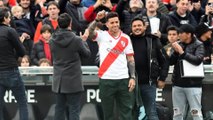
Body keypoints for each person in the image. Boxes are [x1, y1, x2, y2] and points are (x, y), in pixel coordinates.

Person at [88, 11, 136, 120]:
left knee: (126, 113)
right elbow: (90, 32)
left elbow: (131, 59)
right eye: (112, 22)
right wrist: (96, 20)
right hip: (106, 80)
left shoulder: (126, 38)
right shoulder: (101, 35)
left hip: (123, 79)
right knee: (108, 113)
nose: (114, 24)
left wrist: (132, 77)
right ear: (107, 24)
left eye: (116, 22)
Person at [49, 13, 91, 120]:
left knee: (59, 109)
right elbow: (87, 54)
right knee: (74, 110)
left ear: (58, 24)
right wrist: (84, 41)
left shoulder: (52, 40)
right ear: (70, 24)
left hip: (58, 82)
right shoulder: (77, 40)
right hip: (73, 82)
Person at [130, 16, 169, 120]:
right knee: (132, 113)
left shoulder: (154, 40)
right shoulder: (126, 40)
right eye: (134, 26)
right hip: (131, 84)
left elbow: (165, 61)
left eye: (139, 25)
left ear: (144, 27)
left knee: (151, 112)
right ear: (131, 28)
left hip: (149, 83)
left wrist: (162, 78)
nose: (137, 28)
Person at [169, 24, 205, 120]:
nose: (179, 35)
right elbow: (170, 62)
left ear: (189, 34)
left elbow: (198, 60)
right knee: (177, 113)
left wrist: (182, 53)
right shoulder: (178, 44)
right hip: (177, 84)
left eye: (181, 33)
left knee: (196, 113)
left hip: (193, 84)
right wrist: (176, 52)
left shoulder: (199, 44)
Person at [0, 7, 28, 120]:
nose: (11, 19)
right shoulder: (10, 31)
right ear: (6, 19)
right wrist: (19, 43)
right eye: (9, 17)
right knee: (22, 102)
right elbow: (22, 52)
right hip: (11, 71)